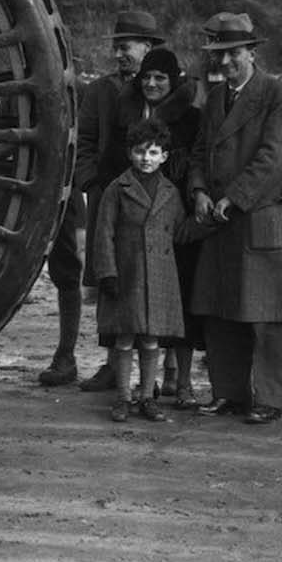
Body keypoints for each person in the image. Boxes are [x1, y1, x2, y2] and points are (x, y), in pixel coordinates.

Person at [42, 8, 164, 389]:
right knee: (110, 279)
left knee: (155, 281)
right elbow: (86, 142)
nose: (119, 55)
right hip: (108, 201)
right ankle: (114, 365)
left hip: (155, 200)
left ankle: (158, 376)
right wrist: (92, 184)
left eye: (126, 47)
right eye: (117, 48)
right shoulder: (99, 91)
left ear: (148, 47)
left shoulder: (163, 88)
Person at [187, 12, 282, 425]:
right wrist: (198, 190)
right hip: (218, 219)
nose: (227, 63)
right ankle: (228, 392)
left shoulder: (278, 95)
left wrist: (233, 198)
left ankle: (268, 398)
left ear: (252, 52)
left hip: (257, 217)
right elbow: (199, 151)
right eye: (220, 55)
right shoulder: (215, 98)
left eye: (234, 54)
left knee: (264, 315)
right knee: (220, 311)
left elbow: (274, 158)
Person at [119, 46, 205, 406]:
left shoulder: (192, 119)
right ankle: (141, 385)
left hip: (179, 216)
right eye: (148, 77)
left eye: (160, 78)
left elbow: (200, 160)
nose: (152, 83)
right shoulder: (128, 110)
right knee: (140, 304)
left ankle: (182, 382)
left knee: (182, 302)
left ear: (174, 82)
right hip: (137, 217)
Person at [92, 119, 187, 422]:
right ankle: (122, 397)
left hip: (159, 277)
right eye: (140, 152)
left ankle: (147, 397)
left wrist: (208, 221)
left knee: (150, 339)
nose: (146, 158)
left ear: (164, 157)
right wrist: (108, 272)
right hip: (127, 274)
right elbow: (103, 232)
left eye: (154, 152)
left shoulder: (171, 192)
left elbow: (180, 230)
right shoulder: (117, 189)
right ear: (129, 153)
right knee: (124, 338)